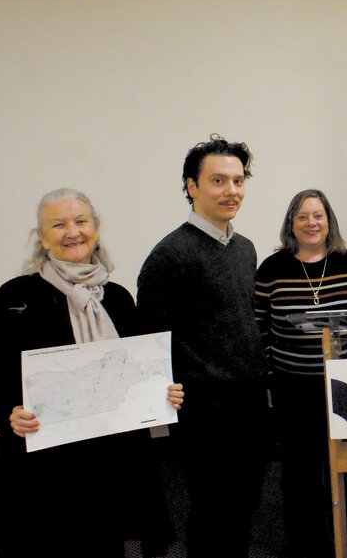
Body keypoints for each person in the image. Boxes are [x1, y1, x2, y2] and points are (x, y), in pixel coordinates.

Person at [0, 188, 183, 558]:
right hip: (44, 464)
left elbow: (138, 370)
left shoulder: (117, 297)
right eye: (58, 224)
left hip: (108, 463)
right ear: (42, 238)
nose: (72, 231)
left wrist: (161, 391)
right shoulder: (15, 297)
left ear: (95, 229)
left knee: (105, 544)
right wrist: (9, 415)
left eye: (81, 221)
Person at [137, 135, 271, 558]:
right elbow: (150, 338)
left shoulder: (245, 249)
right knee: (213, 510)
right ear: (192, 186)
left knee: (245, 504)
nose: (231, 190)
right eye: (218, 180)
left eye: (238, 180)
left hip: (250, 399)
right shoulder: (170, 255)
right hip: (205, 408)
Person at [255, 189, 347, 557]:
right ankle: (307, 543)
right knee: (300, 468)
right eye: (302, 216)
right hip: (293, 385)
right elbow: (259, 331)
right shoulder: (271, 269)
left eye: (317, 215)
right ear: (291, 223)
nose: (311, 223)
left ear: (328, 221)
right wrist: (268, 382)